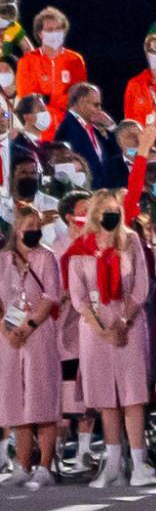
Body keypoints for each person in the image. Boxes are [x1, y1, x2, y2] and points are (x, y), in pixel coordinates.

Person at [69, 189, 156, 488]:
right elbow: (78, 296)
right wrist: (101, 327)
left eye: (114, 208)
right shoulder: (81, 247)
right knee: (106, 399)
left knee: (132, 396)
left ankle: (140, 462)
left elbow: (141, 287)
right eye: (104, 209)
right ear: (94, 214)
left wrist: (122, 321)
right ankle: (113, 463)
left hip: (128, 325)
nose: (110, 214)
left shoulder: (130, 241)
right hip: (96, 330)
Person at [1, 197, 62, 487]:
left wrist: (28, 326)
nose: (33, 230)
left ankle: (44, 467)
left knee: (41, 397)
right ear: (16, 229)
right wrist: (6, 328)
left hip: (38, 333)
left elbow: (51, 295)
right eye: (28, 226)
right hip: (8, 337)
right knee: (16, 399)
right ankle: (22, 466)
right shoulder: (4, 259)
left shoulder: (46, 257)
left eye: (37, 226)